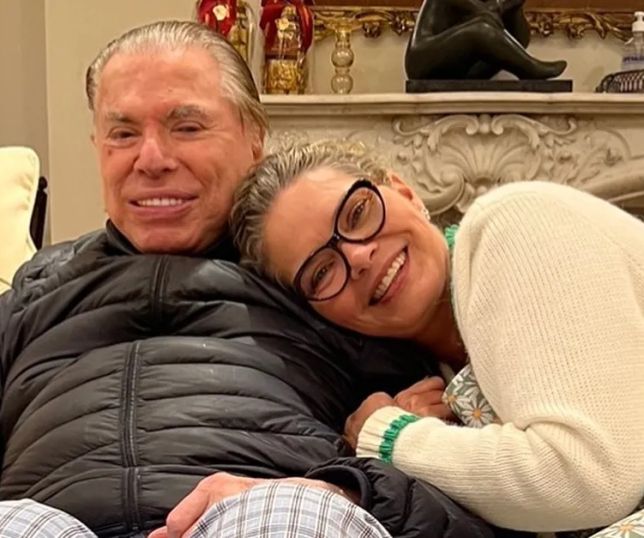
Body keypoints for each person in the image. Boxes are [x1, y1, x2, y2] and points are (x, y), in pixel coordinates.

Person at [0, 21, 499, 538]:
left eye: (186, 127)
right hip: (43, 519)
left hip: (268, 512)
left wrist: (373, 473)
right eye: (123, 134)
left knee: (288, 518)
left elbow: (464, 508)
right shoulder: (35, 292)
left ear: (255, 137)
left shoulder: (326, 281)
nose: (151, 160)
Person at [230, 143, 644, 534]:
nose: (357, 257)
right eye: (321, 272)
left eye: (357, 213)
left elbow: (590, 478)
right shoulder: (426, 379)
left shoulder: (512, 223)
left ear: (405, 192)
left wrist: (387, 435)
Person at [405, 0, 566, 80]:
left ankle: (529, 68)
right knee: (481, 29)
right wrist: (499, 6)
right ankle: (531, 68)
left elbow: (520, 39)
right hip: (423, 59)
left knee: (490, 29)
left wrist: (514, 8)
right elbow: (483, 14)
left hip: (463, 71)